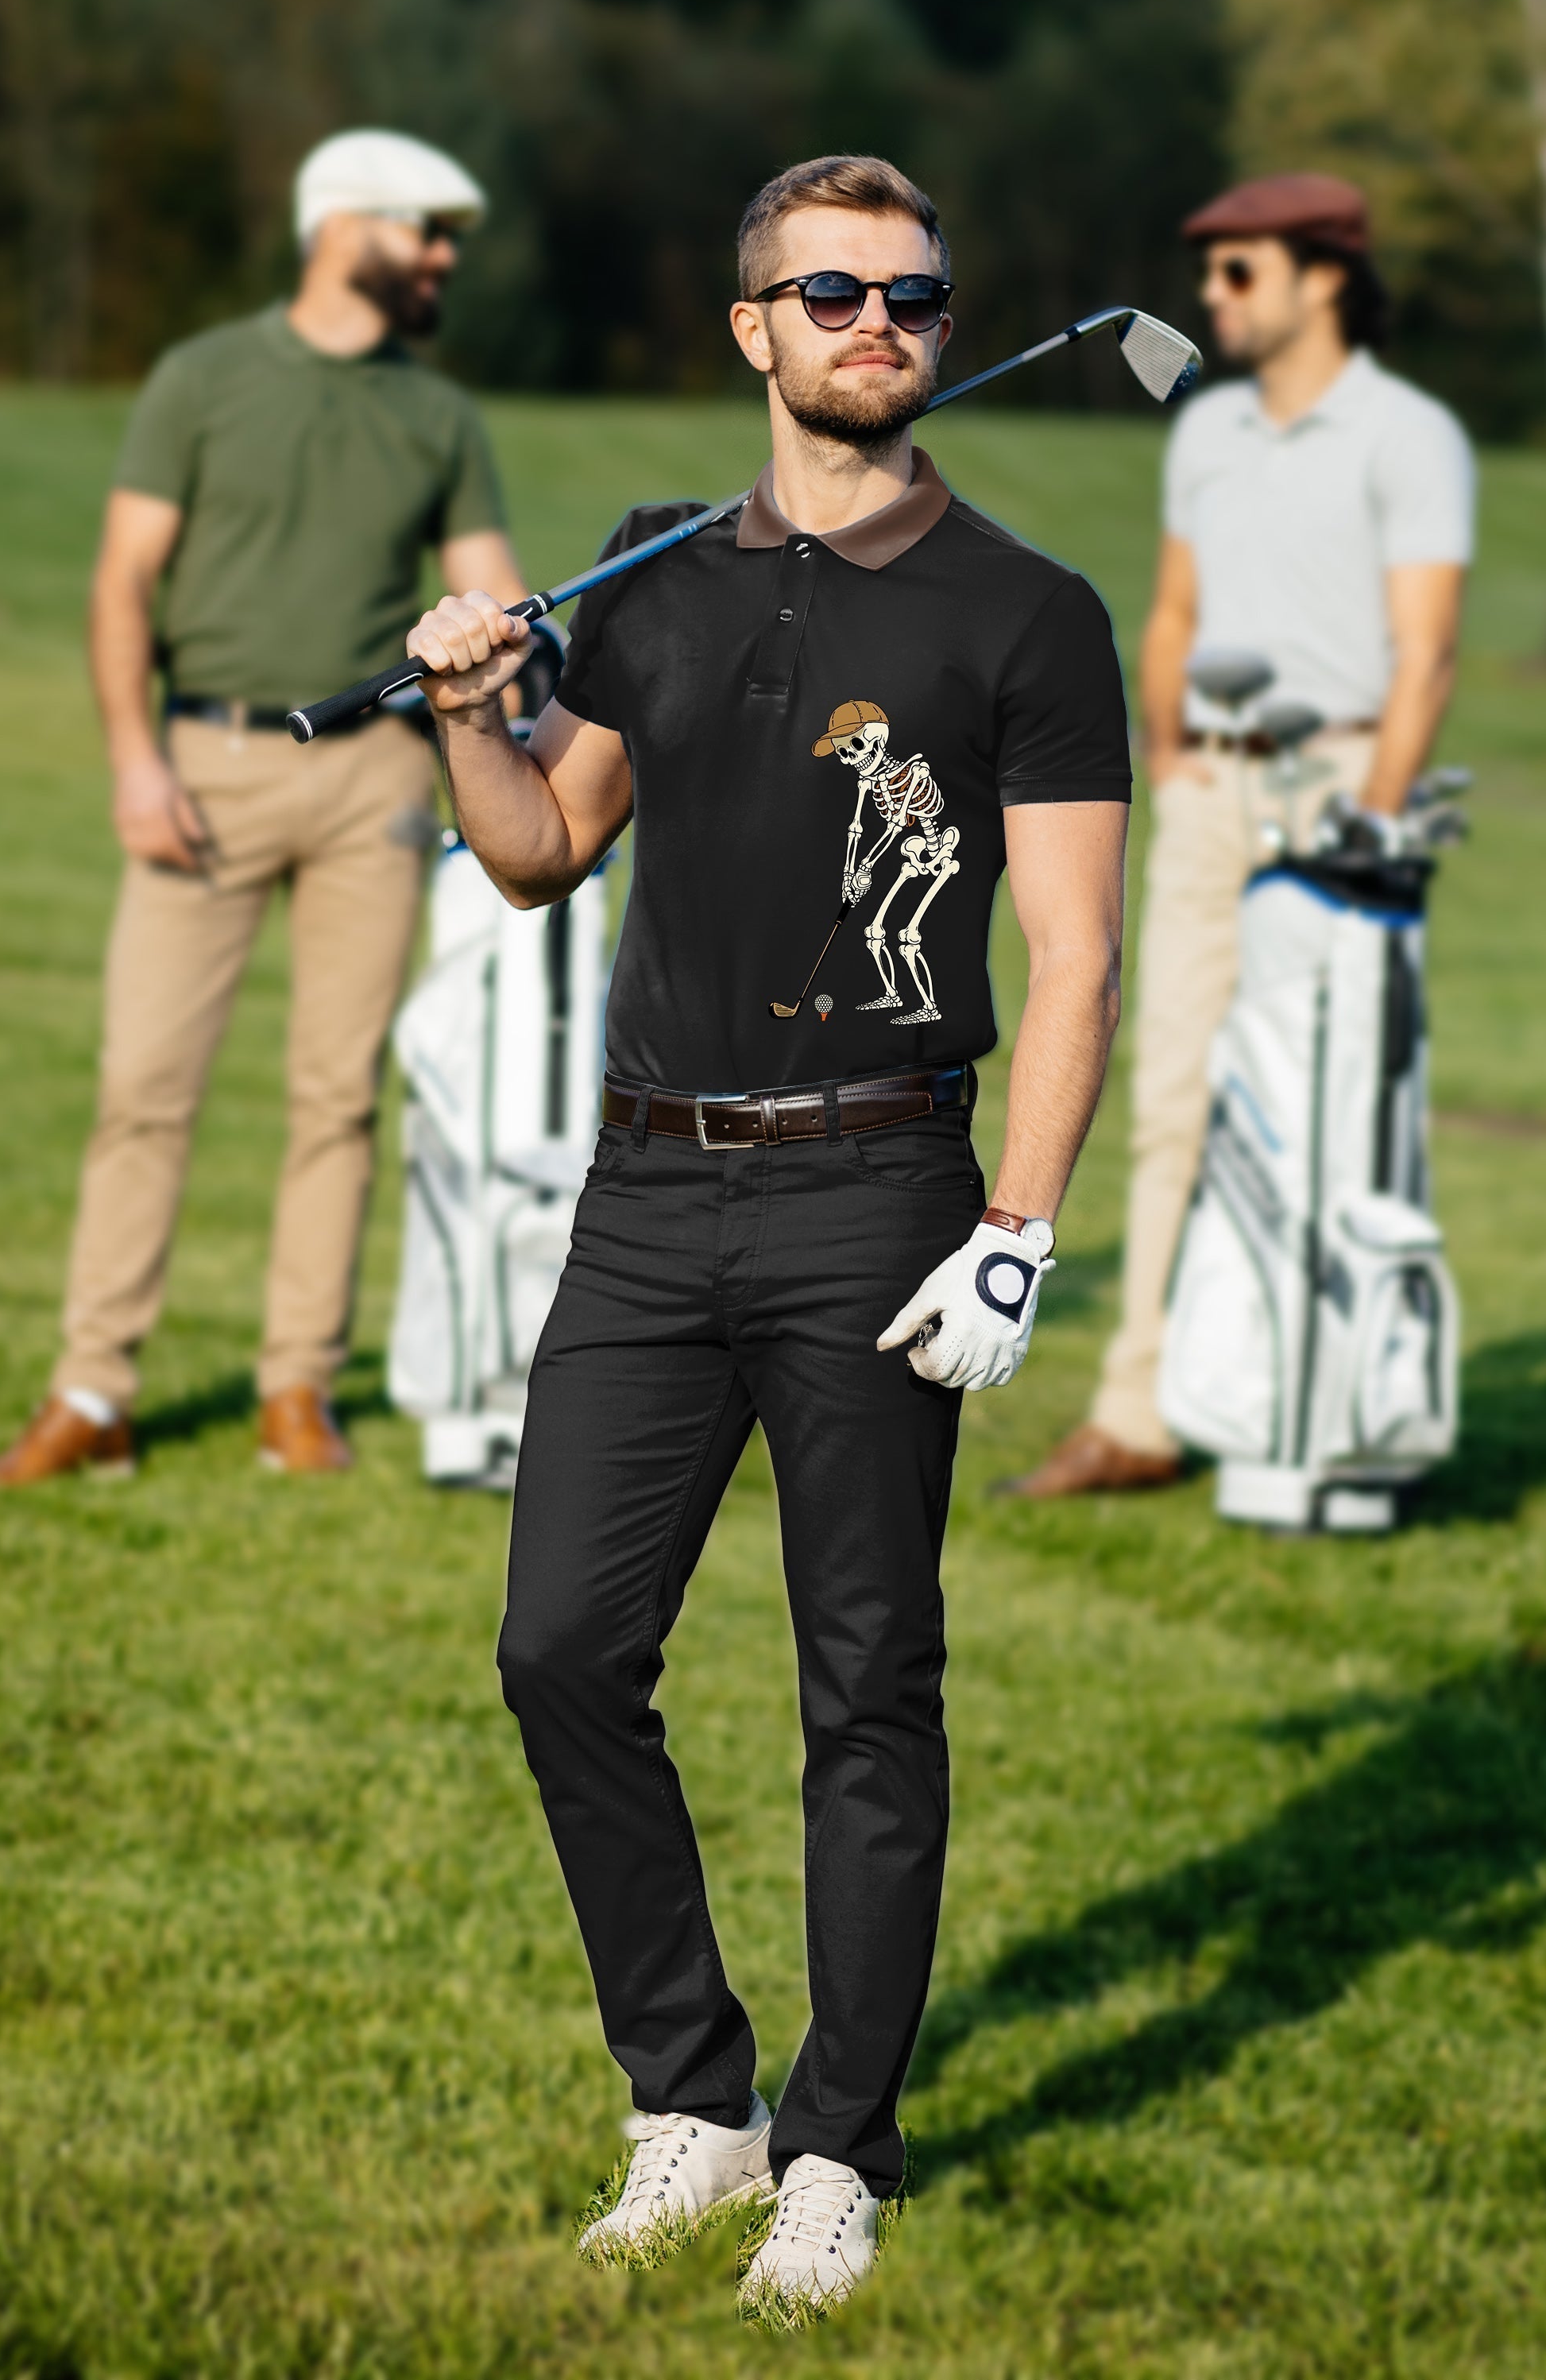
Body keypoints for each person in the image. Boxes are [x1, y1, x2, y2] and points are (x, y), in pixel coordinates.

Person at [403, 153, 1131, 2321]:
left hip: (878, 1188)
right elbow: (538, 851)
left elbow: (1078, 951)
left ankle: (835, 2151)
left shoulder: (1028, 613)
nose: (876, 321)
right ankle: (691, 2099)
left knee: (865, 1683)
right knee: (559, 1647)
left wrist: (1018, 1228)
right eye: (830, 292)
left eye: (911, 293)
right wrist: (467, 710)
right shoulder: (650, 573)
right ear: (755, 331)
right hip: (646, 1190)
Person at [0, 129, 524, 1487]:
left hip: (376, 781)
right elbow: (123, 582)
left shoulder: (441, 416)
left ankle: (297, 1392)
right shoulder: (201, 378)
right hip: (203, 764)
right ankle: (93, 1391)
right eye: (425, 231)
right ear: (342, 227)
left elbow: (499, 594)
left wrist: (525, 664)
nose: (443, 258)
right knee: (143, 1086)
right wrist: (133, 761)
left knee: (337, 1096)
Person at [1005, 170, 1474, 1500]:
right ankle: (1142, 1411)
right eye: (1208, 270)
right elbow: (1174, 613)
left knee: (1327, 1108)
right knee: (1172, 1101)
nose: (1211, 295)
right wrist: (1172, 753)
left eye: (1240, 270)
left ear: (1325, 277)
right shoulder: (1207, 431)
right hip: (1212, 793)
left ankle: (1322, 1403)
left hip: (1342, 790)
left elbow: (1427, 654)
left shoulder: (1410, 435)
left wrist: (1372, 821)